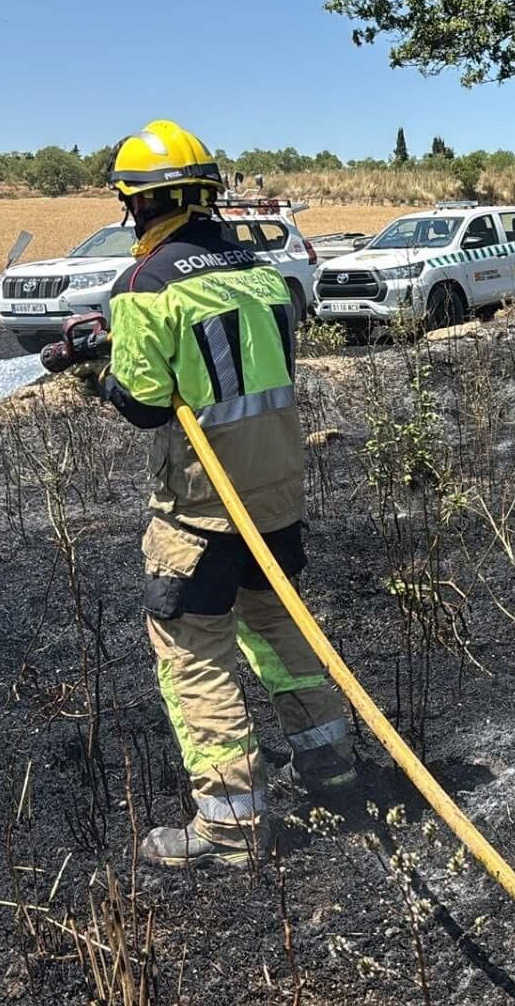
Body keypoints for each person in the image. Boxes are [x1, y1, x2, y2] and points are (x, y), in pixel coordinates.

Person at [102, 119, 356, 868]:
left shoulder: (146, 285)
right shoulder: (261, 271)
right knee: (280, 632)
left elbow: (147, 401)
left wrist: (103, 366)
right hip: (275, 495)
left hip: (202, 508)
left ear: (140, 205)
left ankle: (231, 825)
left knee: (195, 652)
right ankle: (333, 772)